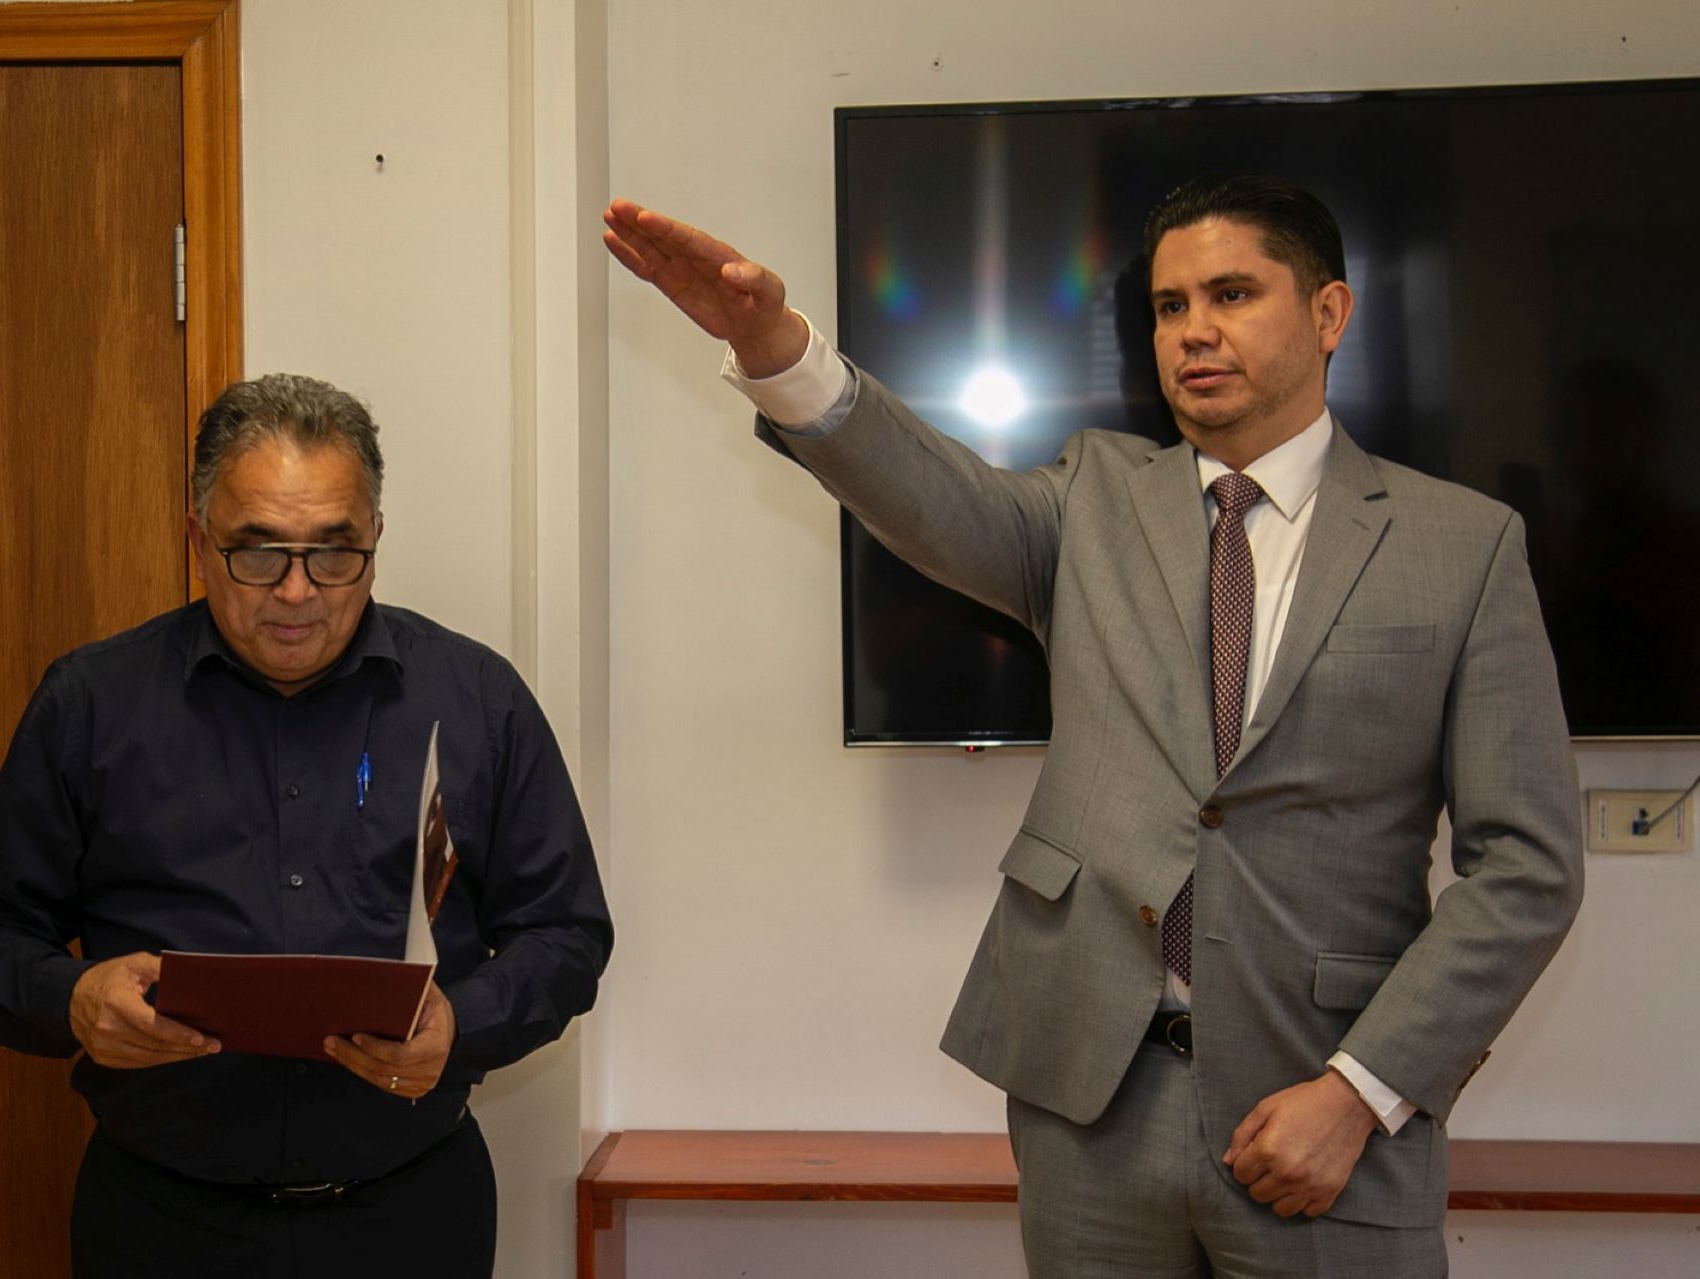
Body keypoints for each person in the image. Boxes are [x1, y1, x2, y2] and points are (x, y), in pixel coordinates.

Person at [603, 176, 1581, 1276]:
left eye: (1231, 294)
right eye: (1169, 306)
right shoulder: (1093, 500)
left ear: (1328, 313)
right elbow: (928, 491)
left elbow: (1529, 866)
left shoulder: (1463, 545)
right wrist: (777, 349)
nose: (1193, 330)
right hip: (1094, 1111)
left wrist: (1360, 1092)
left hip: (1326, 1113)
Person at [0, 374, 612, 1279]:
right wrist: (71, 997)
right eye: (257, 553)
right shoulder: (91, 704)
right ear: (198, 541)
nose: (298, 591)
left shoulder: (476, 701)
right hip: (160, 1224)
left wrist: (463, 1022)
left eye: (334, 554)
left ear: (375, 539)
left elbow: (567, 933)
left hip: (411, 1215)